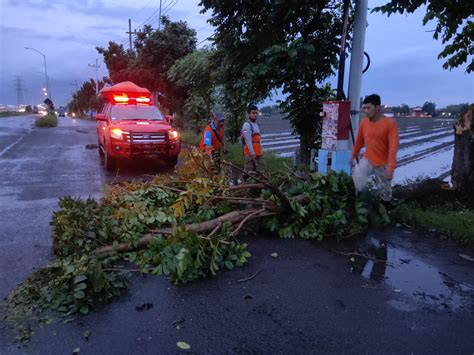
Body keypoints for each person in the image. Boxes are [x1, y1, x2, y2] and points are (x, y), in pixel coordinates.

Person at [351, 94, 399, 201]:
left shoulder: (390, 124)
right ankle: (361, 202)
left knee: (384, 192)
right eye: (364, 108)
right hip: (368, 159)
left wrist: (391, 168)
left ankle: (386, 209)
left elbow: (393, 148)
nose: (366, 111)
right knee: (358, 175)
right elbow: (359, 141)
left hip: (383, 163)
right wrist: (353, 155)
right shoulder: (364, 122)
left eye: (368, 108)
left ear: (378, 108)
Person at [241, 105, 262, 174]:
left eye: (256, 113)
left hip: (258, 152)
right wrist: (252, 153)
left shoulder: (256, 125)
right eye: (253, 113)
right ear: (248, 114)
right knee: (248, 172)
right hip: (250, 154)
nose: (255, 115)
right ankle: (243, 184)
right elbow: (248, 141)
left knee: (257, 173)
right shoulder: (247, 125)